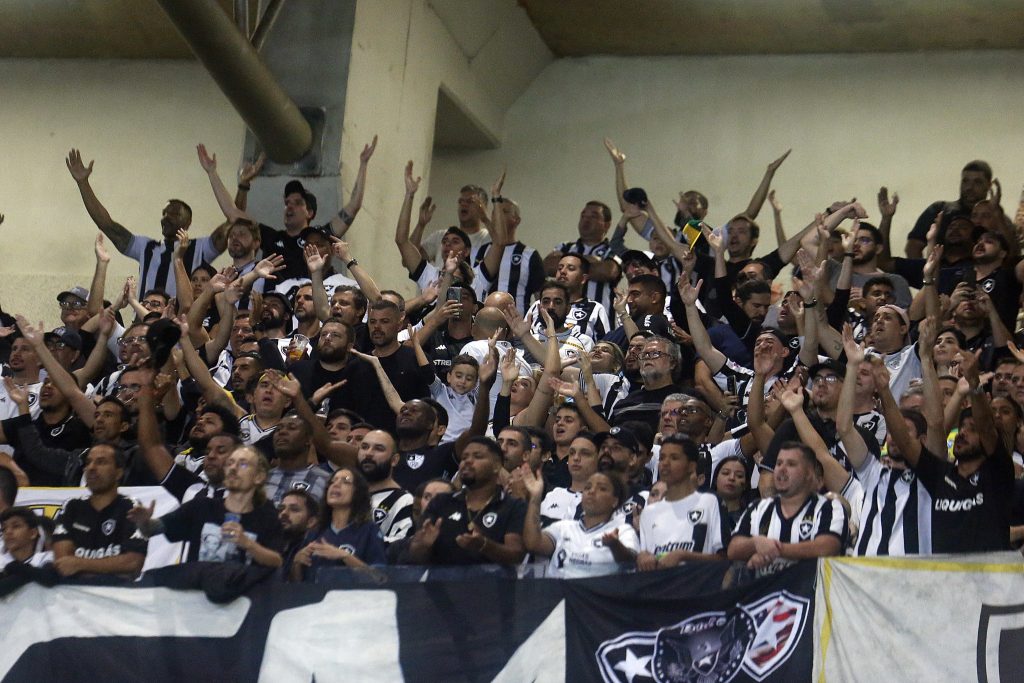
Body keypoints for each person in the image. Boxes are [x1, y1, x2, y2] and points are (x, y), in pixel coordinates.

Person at [65, 149, 226, 297]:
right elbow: (106, 224)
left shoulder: (201, 248)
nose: (166, 217)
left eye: (174, 213)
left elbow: (233, 222)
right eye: (164, 213)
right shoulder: (146, 247)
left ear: (188, 222)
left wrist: (235, 184)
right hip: (145, 322)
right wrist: (83, 183)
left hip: (181, 324)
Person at [131, 446, 284, 568]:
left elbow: (277, 561)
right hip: (197, 599)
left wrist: (247, 543)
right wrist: (144, 522)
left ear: (259, 476)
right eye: (230, 463)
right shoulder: (202, 507)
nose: (233, 468)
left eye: (243, 464)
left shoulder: (267, 515)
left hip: (242, 602)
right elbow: (151, 530)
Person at [727, 442, 847, 577]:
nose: (781, 469)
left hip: (810, 595)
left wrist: (775, 549)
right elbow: (733, 549)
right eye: (778, 463)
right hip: (765, 595)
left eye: (791, 464)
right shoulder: (759, 508)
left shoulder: (829, 507)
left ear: (808, 474)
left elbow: (827, 547)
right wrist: (755, 543)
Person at [406, 437, 526, 567]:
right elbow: (414, 558)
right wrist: (422, 546)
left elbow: (516, 556)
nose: (467, 461)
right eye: (464, 458)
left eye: (477, 456)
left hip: (491, 585)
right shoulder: (441, 502)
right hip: (441, 585)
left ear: (497, 466)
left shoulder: (513, 506)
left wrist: (484, 545)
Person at [52, 443, 147, 580]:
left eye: (101, 462)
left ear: (119, 473)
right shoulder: (71, 506)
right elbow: (64, 565)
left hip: (115, 594)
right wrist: (112, 567)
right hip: (72, 594)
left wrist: (79, 564)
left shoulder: (131, 507)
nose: (91, 468)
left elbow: (133, 563)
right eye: (88, 462)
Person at [521, 468, 638, 578]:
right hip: (558, 595)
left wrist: (615, 545)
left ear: (615, 501)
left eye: (602, 488)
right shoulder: (564, 527)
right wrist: (535, 498)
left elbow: (631, 560)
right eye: (587, 487)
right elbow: (533, 544)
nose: (591, 491)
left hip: (596, 597)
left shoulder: (623, 530)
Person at [636, 435, 730, 570]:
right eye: (662, 458)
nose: (665, 463)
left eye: (674, 458)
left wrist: (683, 556)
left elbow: (724, 559)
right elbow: (647, 559)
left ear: (691, 466)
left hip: (698, 587)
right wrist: (642, 557)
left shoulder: (710, 502)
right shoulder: (649, 513)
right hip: (659, 587)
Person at [291, 467, 387, 581]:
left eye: (345, 481)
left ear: (358, 492)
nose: (335, 485)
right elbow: (297, 586)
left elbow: (380, 578)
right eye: (332, 481)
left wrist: (344, 556)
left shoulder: (369, 530)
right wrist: (297, 563)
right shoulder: (315, 532)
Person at [544, 201, 622, 314]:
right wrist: (592, 262)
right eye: (583, 215)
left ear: (606, 225)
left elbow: (608, 272)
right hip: (564, 320)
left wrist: (567, 263)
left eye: (593, 216)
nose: (586, 219)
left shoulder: (613, 249)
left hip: (598, 322)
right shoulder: (565, 246)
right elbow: (548, 267)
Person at [905, 160, 994, 258]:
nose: (969, 187)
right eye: (965, 181)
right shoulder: (939, 209)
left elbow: (1009, 255)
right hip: (939, 271)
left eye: (977, 182)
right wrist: (926, 272)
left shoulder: (997, 217)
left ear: (989, 186)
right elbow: (913, 247)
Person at [357, 430, 414, 544]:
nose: (368, 453)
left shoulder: (404, 501)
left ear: (394, 460)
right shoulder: (345, 495)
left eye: (378, 449)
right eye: (364, 447)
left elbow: (400, 546)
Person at [0, 507, 53, 573]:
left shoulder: (46, 559)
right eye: (4, 528)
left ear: (33, 533)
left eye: (16, 526)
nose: (8, 532)